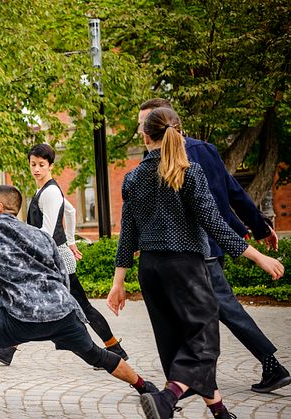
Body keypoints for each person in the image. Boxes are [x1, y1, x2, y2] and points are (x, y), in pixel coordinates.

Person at [0, 186, 160, 418]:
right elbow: (61, 276)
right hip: (62, 314)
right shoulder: (40, 236)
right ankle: (144, 387)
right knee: (96, 354)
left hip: (19, 317)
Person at [107, 107, 284, 419]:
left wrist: (117, 282)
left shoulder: (133, 178)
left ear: (146, 136)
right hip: (185, 268)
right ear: (180, 131)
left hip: (150, 270)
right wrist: (259, 257)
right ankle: (166, 399)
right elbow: (215, 225)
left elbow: (128, 235)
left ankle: (220, 412)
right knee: (203, 344)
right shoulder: (188, 173)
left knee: (176, 344)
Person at [0, 144, 128, 366]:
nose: (37, 169)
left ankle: (114, 348)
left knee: (81, 306)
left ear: (50, 165)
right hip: (53, 258)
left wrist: (29, 241)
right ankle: (9, 349)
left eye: (42, 165)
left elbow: (47, 233)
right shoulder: (44, 191)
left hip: (55, 261)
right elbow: (70, 211)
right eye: (33, 164)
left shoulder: (49, 192)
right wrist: (69, 241)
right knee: (35, 303)